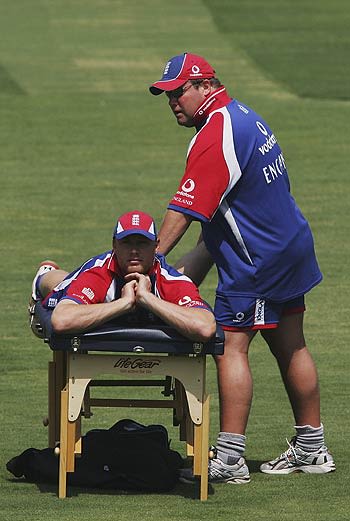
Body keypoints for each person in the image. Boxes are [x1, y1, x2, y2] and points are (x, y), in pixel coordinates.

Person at [149, 53, 335, 483]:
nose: (173, 102)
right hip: (290, 246)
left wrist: (148, 263)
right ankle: (312, 448)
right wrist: (178, 276)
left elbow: (185, 210)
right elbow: (226, 211)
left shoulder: (215, 134)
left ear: (205, 84)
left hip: (257, 260)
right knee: (291, 343)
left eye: (179, 92)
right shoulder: (244, 114)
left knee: (230, 344)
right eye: (167, 95)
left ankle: (230, 459)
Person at [28, 210, 216, 343]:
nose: (134, 251)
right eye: (127, 243)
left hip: (129, 295)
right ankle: (43, 276)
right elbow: (62, 321)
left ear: (156, 246)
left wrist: (147, 299)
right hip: (88, 283)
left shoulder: (170, 279)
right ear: (114, 245)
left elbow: (205, 327)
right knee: (63, 284)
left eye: (142, 243)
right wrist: (123, 304)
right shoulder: (98, 273)